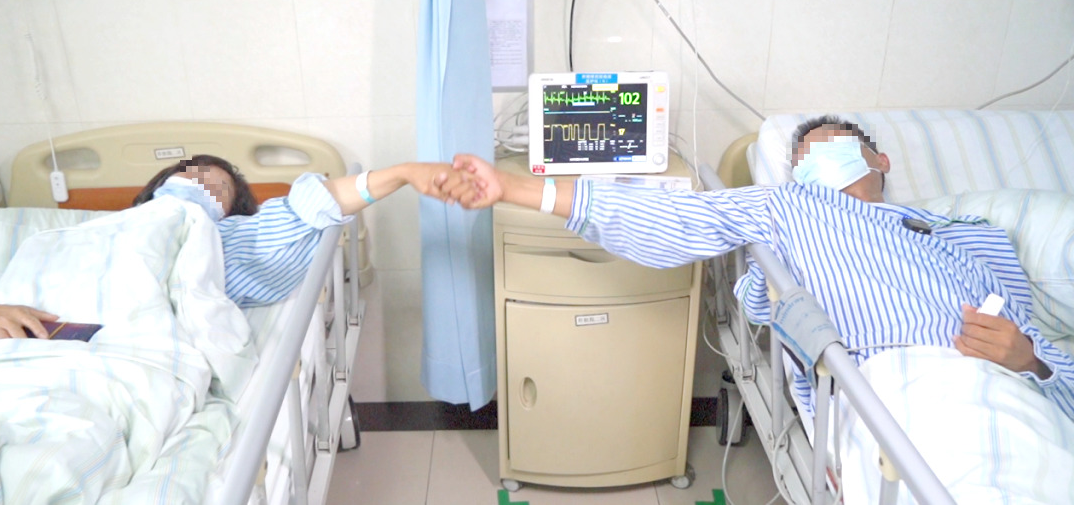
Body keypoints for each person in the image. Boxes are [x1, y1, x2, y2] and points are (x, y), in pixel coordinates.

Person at [439, 115, 1074, 421]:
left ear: (879, 160)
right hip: (897, 398)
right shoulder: (788, 205)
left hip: (1012, 391)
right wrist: (517, 189)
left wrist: (1032, 362)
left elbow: (1047, 354)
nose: (810, 161)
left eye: (827, 145)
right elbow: (670, 221)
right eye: (801, 159)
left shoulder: (969, 234)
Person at [0, 154, 476, 338]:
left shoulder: (216, 239)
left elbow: (308, 207)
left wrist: (403, 173)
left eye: (217, 188)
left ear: (229, 214)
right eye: (188, 175)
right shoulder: (60, 235)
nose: (199, 185)